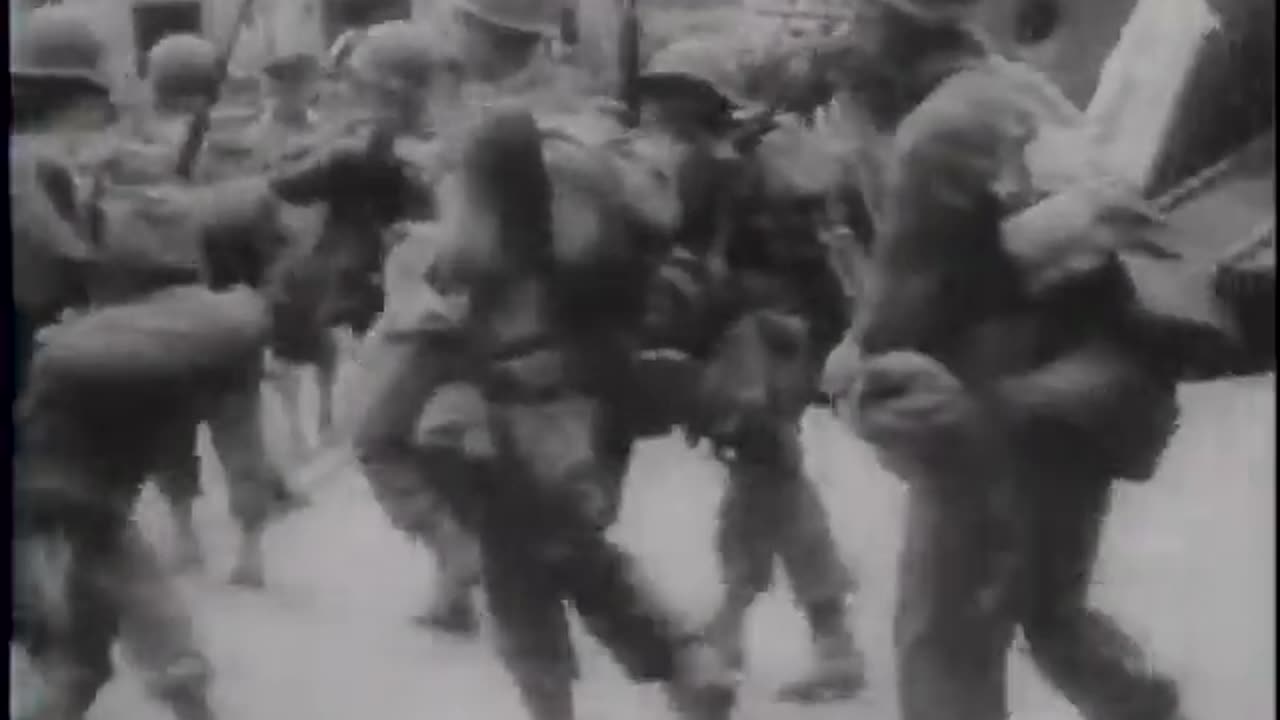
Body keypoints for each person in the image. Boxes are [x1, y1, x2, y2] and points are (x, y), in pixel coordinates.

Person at [829, 2, 1195, 719]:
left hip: (990, 409)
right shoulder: (1025, 94)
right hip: (1088, 394)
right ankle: (1143, 706)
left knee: (944, 637)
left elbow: (909, 302)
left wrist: (851, 358)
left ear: (891, 31)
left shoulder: (936, 132)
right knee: (1051, 609)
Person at [10, 8, 273, 718]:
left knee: (79, 529)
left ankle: (159, 671)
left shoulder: (50, 164)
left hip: (57, 382)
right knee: (87, 530)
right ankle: (115, 675)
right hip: (119, 375)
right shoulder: (127, 163)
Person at [631, 35, 865, 705]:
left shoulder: (720, 166)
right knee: (764, 476)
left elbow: (698, 262)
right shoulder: (781, 150)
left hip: (754, 342)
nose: (657, 107)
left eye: (670, 94)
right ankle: (741, 624)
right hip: (790, 337)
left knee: (772, 478)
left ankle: (829, 639)